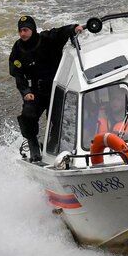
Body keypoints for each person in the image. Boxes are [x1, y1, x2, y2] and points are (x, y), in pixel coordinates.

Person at [9, 14, 83, 162]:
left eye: (25, 30)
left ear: (32, 30)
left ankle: (55, 149)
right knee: (27, 115)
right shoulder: (18, 48)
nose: (23, 34)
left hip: (57, 89)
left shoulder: (46, 39)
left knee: (57, 121)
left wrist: (74, 28)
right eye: (20, 31)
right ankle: (34, 146)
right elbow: (18, 75)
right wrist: (26, 92)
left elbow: (61, 32)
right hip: (36, 91)